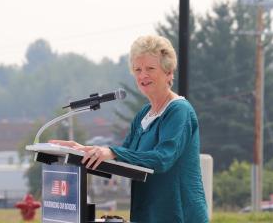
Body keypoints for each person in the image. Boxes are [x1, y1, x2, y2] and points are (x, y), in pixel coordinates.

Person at [50, 35, 209, 223]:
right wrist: (81, 152)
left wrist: (112, 152)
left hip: (178, 213)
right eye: (137, 69)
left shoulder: (179, 111)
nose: (143, 75)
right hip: (147, 213)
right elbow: (124, 157)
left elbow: (162, 158)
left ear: (169, 72)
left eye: (150, 68)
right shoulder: (144, 114)